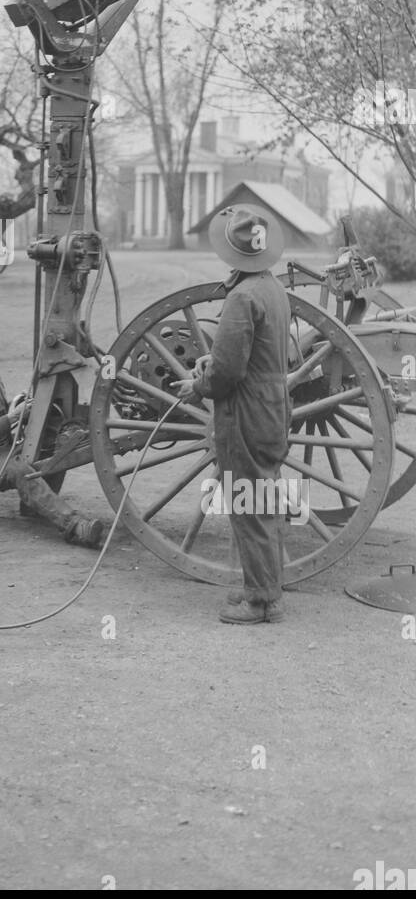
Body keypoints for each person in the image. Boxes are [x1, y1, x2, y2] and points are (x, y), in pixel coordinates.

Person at [175, 204, 291, 624]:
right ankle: (269, 592)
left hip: (245, 412)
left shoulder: (242, 296)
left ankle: (260, 601)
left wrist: (199, 385)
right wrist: (215, 361)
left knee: (247, 501)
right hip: (275, 404)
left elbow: (227, 373)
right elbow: (253, 353)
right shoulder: (273, 289)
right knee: (265, 497)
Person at [0, 316, 104, 549]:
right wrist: (13, 416)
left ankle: (31, 506)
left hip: (2, 447)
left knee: (58, 446)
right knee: (21, 470)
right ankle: (74, 526)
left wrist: (24, 407)